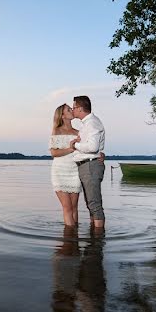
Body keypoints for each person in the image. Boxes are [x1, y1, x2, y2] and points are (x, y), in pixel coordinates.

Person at [70, 95, 106, 228]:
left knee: (94, 204)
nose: (73, 110)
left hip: (90, 165)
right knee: (91, 203)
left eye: (74, 108)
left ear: (80, 108)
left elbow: (93, 147)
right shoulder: (87, 124)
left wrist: (75, 146)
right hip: (88, 165)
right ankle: (94, 236)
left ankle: (97, 240)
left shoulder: (91, 123)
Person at [49, 103, 82, 227]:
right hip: (60, 171)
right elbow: (53, 152)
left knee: (74, 207)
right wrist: (70, 148)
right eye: (69, 109)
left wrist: (100, 155)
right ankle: (70, 239)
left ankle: (75, 239)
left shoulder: (79, 132)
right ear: (62, 116)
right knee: (67, 207)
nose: (72, 110)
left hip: (75, 171)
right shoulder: (56, 130)